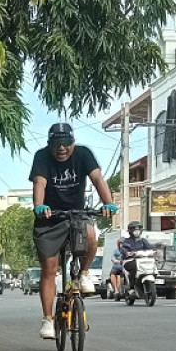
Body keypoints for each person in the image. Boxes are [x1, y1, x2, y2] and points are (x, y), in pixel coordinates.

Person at [29, 122, 117, 340]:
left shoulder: (84, 154)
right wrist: (39, 206)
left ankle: (83, 274)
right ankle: (48, 320)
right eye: (56, 143)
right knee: (49, 268)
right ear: (50, 144)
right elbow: (39, 183)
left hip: (77, 213)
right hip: (49, 217)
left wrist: (108, 202)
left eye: (66, 143)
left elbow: (97, 179)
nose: (61, 148)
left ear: (73, 143)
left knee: (90, 237)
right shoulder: (41, 157)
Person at [118, 221, 152, 295]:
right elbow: (122, 249)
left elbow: (150, 248)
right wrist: (127, 253)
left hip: (142, 261)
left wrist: (155, 252)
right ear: (130, 231)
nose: (136, 232)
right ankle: (131, 287)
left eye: (138, 230)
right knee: (134, 267)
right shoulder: (126, 241)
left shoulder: (143, 241)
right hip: (129, 261)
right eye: (134, 230)